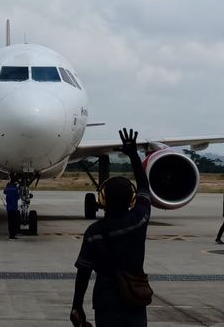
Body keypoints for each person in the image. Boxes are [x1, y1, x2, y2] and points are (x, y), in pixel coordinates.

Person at [71, 128, 152, 327]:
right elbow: (144, 187)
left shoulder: (94, 233)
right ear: (131, 199)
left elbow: (84, 272)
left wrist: (77, 305)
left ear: (103, 200)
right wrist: (134, 155)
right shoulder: (139, 220)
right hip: (134, 295)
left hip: (106, 301)